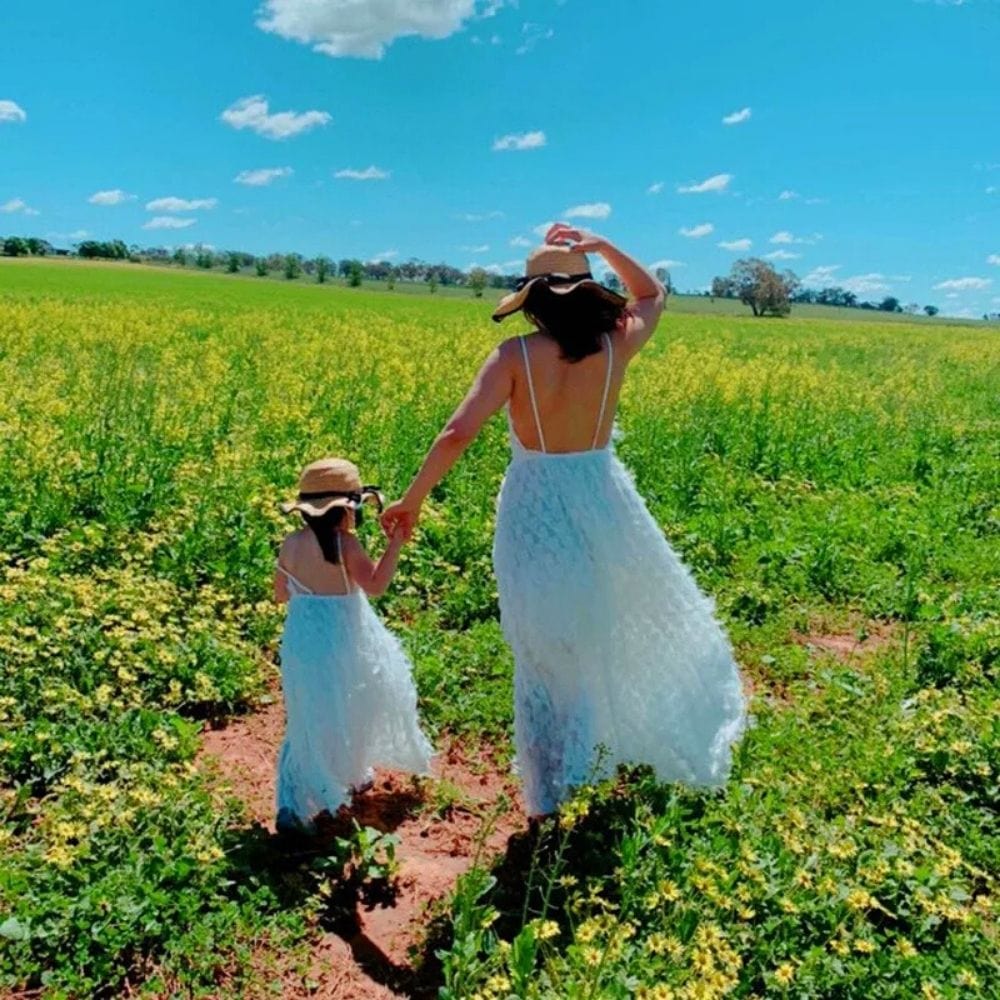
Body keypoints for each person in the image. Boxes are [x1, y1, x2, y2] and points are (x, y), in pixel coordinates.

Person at [382, 224, 747, 818]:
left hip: (535, 504)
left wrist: (412, 499)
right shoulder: (616, 343)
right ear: (588, 293)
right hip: (603, 496)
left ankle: (555, 781)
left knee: (544, 639)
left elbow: (457, 433)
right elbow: (652, 295)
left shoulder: (515, 355)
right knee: (599, 620)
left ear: (533, 301)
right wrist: (599, 248)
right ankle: (592, 752)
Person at [273, 457, 433, 834]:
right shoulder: (346, 544)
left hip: (302, 638)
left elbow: (281, 595)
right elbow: (376, 586)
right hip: (343, 634)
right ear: (347, 510)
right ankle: (347, 772)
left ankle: (295, 799)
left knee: (310, 713)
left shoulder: (290, 545)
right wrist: (395, 543)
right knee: (353, 701)